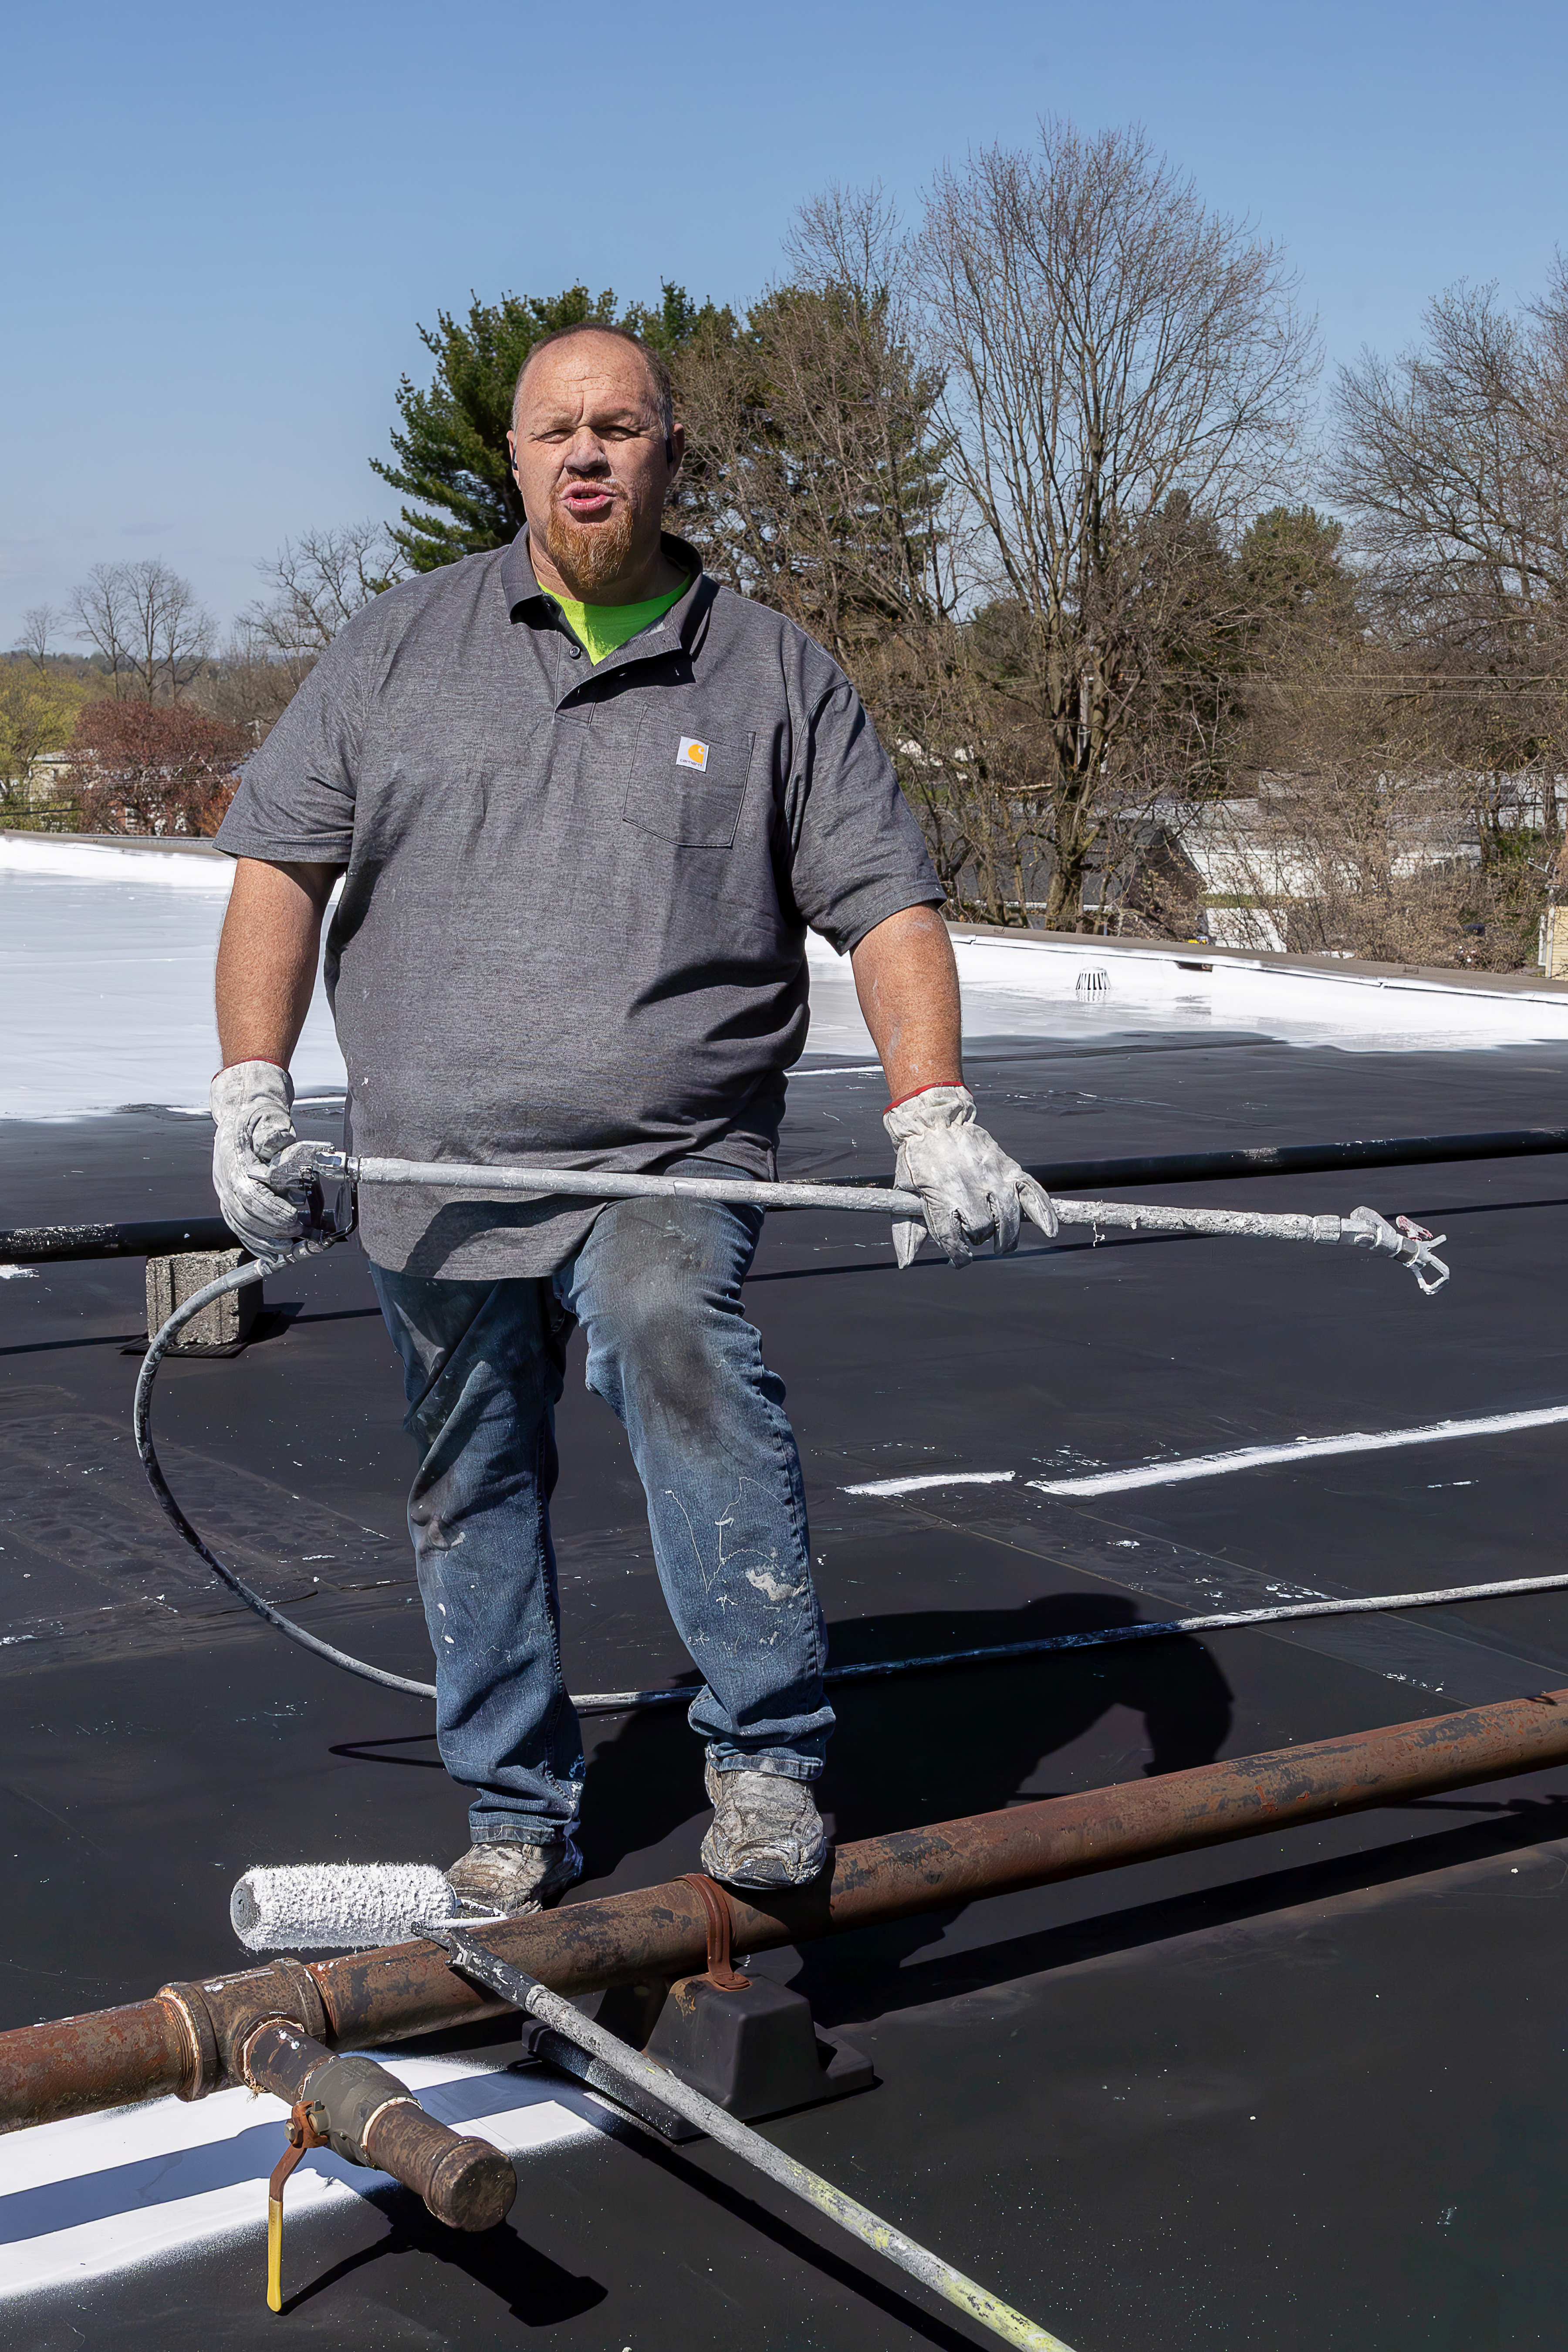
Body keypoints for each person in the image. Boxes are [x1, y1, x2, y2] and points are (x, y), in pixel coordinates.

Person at [208, 324, 1054, 1916]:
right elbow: (278, 866)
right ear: (516, 459)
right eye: (554, 431)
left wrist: (930, 1105)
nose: (585, 454)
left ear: (670, 452)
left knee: (674, 1336)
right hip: (435, 1165)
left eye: (618, 426)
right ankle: (515, 1805)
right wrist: (252, 1082)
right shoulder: (396, 649)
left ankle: (766, 1755)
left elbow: (888, 908)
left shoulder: (776, 673)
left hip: (670, 1150)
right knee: (470, 1474)